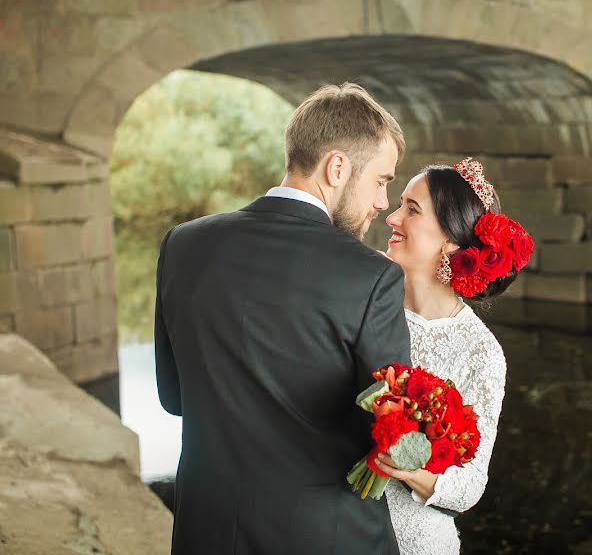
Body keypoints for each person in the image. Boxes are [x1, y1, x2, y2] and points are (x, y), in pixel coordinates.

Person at [154, 83, 412, 555]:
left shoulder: (182, 244)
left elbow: (173, 396)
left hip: (207, 527)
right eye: (381, 181)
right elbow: (387, 436)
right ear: (337, 167)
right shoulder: (372, 276)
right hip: (325, 536)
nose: (381, 202)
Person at [373, 158, 533, 555]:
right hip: (334, 529)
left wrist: (407, 463)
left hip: (417, 543)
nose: (392, 217)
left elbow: (469, 486)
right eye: (399, 204)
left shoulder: (481, 351)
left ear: (450, 241)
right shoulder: (363, 305)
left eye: (411, 209)